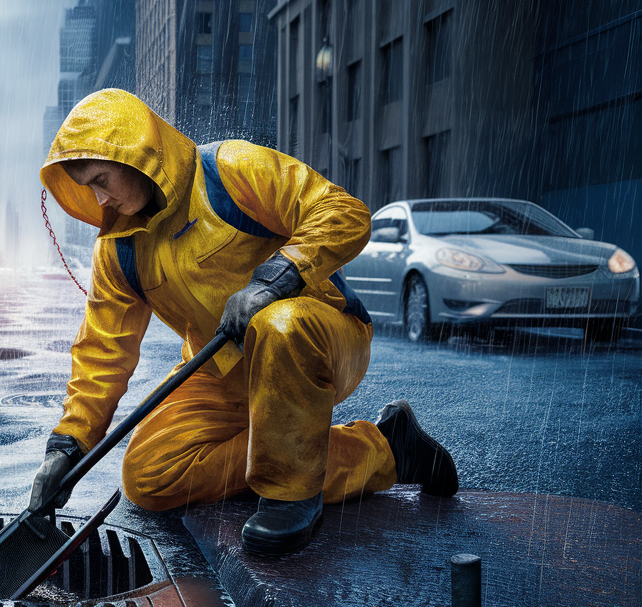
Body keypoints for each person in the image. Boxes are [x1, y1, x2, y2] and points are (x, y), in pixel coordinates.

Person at [29, 89, 458, 555]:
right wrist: (67, 447)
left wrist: (271, 281)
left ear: (136, 153)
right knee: (150, 474)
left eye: (102, 179)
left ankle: (290, 493)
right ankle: (388, 448)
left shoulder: (230, 171)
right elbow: (102, 352)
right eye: (88, 187)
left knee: (279, 323)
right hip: (221, 370)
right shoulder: (118, 249)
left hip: (317, 339)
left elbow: (343, 213)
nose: (100, 198)